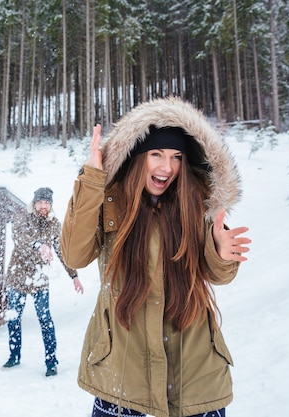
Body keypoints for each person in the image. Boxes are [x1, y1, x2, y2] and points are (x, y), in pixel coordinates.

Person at [60, 97, 251, 417]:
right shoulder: (109, 201)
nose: (167, 167)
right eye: (157, 154)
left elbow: (220, 275)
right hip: (122, 373)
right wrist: (92, 178)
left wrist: (220, 252)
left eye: (177, 156)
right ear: (137, 158)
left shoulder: (197, 204)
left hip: (195, 377)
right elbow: (74, 254)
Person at [3, 187, 84, 377]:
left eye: (47, 203)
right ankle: (14, 355)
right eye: (40, 202)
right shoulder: (22, 217)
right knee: (14, 318)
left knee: (45, 320)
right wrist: (39, 245)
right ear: (34, 203)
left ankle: (51, 361)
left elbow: (61, 251)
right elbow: (20, 238)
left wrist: (74, 275)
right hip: (18, 276)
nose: (43, 206)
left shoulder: (54, 224)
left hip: (39, 279)